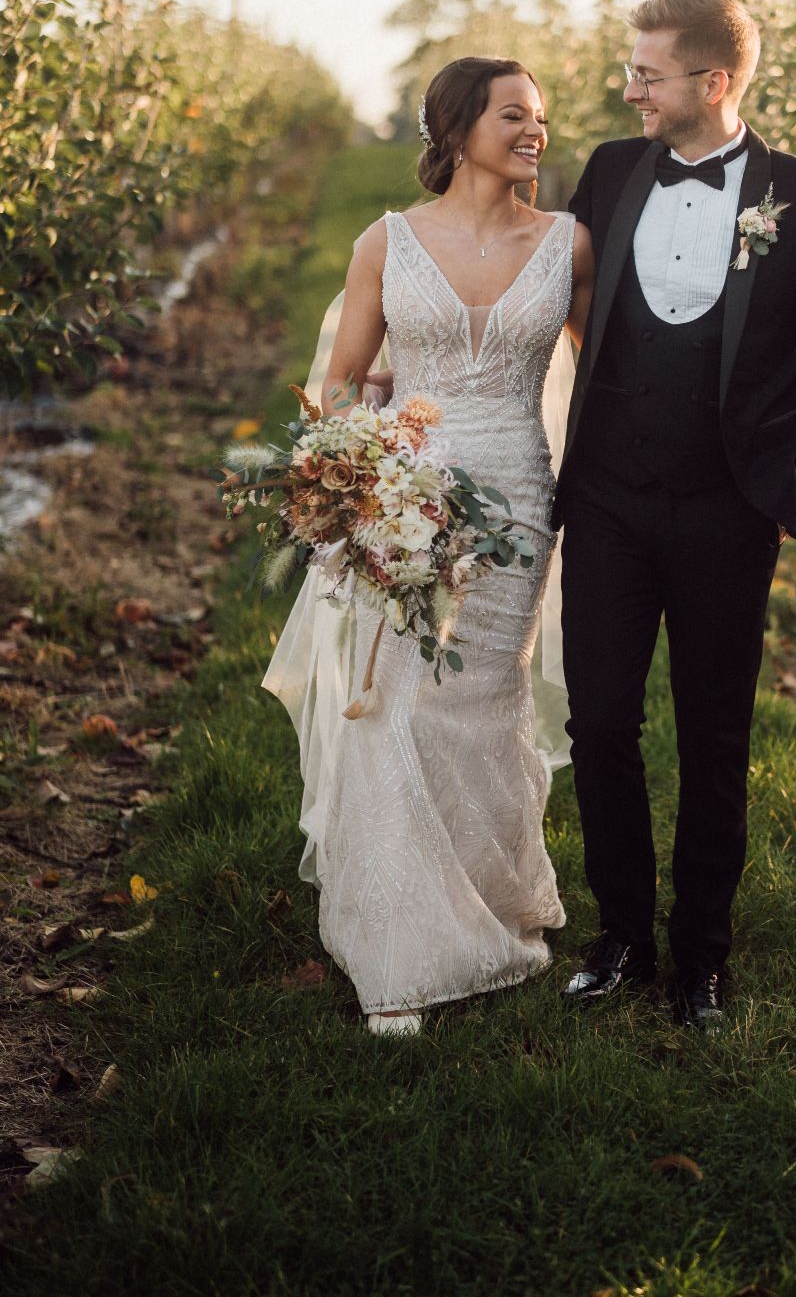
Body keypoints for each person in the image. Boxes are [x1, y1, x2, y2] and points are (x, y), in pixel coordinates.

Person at [555, 0, 796, 1029]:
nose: (629, 88)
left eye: (647, 73)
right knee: (600, 720)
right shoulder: (607, 170)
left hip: (730, 509)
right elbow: (548, 292)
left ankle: (703, 959)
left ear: (713, 82)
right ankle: (623, 937)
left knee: (713, 734)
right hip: (606, 496)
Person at [262, 57, 594, 1036]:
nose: (534, 131)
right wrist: (361, 480)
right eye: (513, 116)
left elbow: (615, 379)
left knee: (482, 704)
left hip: (522, 501)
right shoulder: (387, 243)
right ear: (455, 130)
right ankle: (398, 949)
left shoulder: (571, 245)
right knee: (387, 710)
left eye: (540, 117)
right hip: (404, 496)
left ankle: (490, 901)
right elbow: (343, 384)